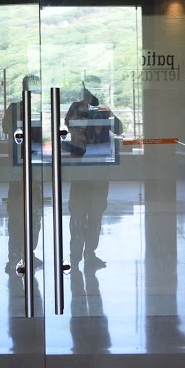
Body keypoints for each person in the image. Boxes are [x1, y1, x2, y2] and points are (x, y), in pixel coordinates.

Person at [64, 79, 121, 269]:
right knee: (84, 213)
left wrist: (106, 113)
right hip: (89, 168)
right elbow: (71, 126)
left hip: (91, 169)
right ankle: (80, 255)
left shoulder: (98, 111)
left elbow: (119, 128)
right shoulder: (80, 109)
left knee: (90, 213)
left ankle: (83, 254)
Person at [5, 76, 44, 272]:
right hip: (20, 167)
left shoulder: (34, 110)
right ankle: (17, 255)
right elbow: (8, 129)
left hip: (31, 166)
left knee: (32, 213)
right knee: (19, 213)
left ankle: (26, 253)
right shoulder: (15, 109)